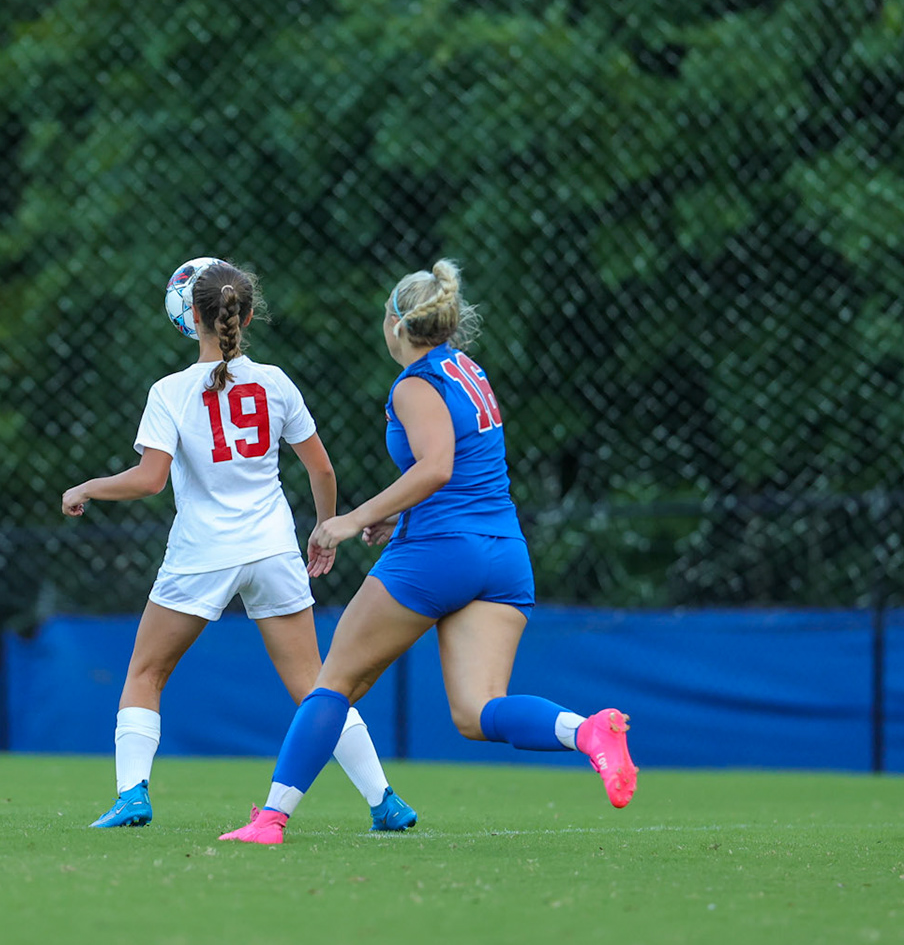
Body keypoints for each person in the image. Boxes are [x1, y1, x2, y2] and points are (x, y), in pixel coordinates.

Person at [220, 260, 636, 846]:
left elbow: (438, 468)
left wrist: (354, 518)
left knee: (332, 683)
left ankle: (269, 821)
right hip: (502, 555)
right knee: (477, 712)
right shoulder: (468, 369)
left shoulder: (415, 383)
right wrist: (397, 513)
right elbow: (465, 469)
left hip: (440, 554)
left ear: (396, 324)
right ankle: (588, 731)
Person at [62, 259, 417, 832]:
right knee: (317, 685)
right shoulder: (275, 382)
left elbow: (150, 479)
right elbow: (321, 471)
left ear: (189, 319)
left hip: (203, 553)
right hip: (273, 548)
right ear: (246, 315)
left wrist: (87, 487)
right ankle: (384, 801)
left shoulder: (170, 391)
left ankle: (133, 794)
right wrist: (324, 529)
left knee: (146, 672)